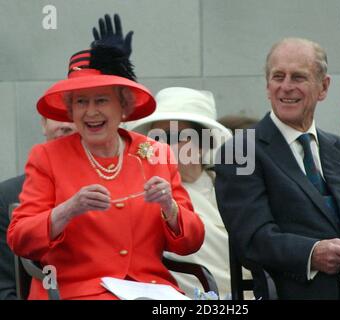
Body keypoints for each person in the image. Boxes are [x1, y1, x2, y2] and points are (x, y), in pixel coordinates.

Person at [7, 16, 204, 300]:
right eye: (81, 102)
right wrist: (68, 209)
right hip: (76, 292)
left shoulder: (156, 154)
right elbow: (20, 239)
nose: (91, 112)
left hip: (150, 291)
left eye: (101, 100)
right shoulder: (48, 157)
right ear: (70, 110)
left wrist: (169, 208)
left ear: (123, 106)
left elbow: (192, 242)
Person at [214, 37, 340, 299]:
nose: (286, 87)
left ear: (323, 87)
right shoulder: (242, 150)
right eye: (278, 77)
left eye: (298, 77)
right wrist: (313, 254)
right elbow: (253, 239)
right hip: (297, 288)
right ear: (268, 87)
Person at [125, 87, 239, 298]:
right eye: (155, 136)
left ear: (203, 142)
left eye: (173, 136)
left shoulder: (229, 185)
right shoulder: (146, 192)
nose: (161, 144)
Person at [0, 118, 76, 300]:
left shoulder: (120, 187)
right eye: (55, 116)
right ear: (43, 124)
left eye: (71, 116)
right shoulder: (8, 194)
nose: (64, 125)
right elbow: (6, 285)